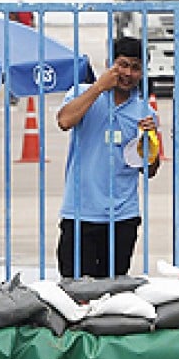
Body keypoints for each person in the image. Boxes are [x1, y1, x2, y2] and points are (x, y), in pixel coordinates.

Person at [56, 36, 160, 279]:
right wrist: (98, 87)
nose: (128, 73)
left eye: (135, 67)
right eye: (122, 64)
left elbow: (150, 169)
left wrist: (150, 140)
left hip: (123, 216)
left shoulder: (145, 112)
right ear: (109, 64)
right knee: (75, 290)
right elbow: (64, 121)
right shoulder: (83, 93)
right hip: (80, 213)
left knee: (111, 293)